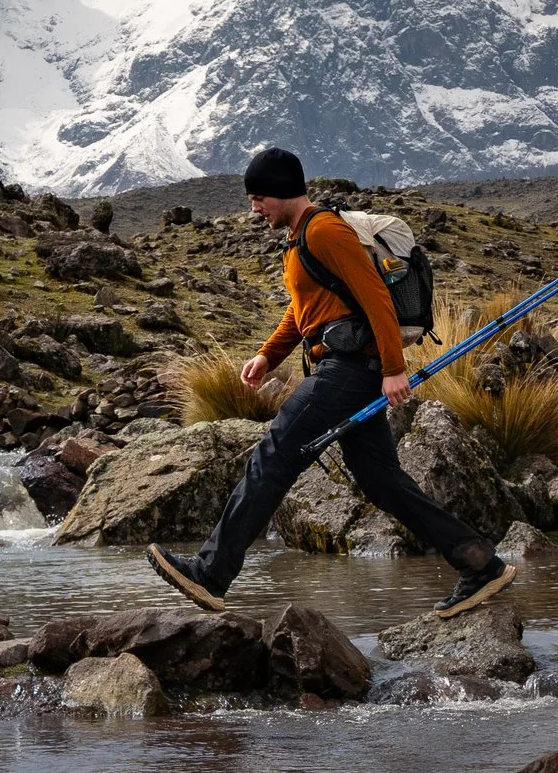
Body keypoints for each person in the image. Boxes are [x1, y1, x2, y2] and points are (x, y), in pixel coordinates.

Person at [146, 146, 515, 617]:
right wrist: (267, 355)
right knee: (381, 482)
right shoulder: (300, 240)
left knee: (273, 456)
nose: (253, 208)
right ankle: (480, 564)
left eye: (258, 198)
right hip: (345, 367)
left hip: (348, 371)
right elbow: (303, 314)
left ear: (281, 192)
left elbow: (376, 297)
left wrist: (392, 369)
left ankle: (210, 573)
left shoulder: (325, 231)